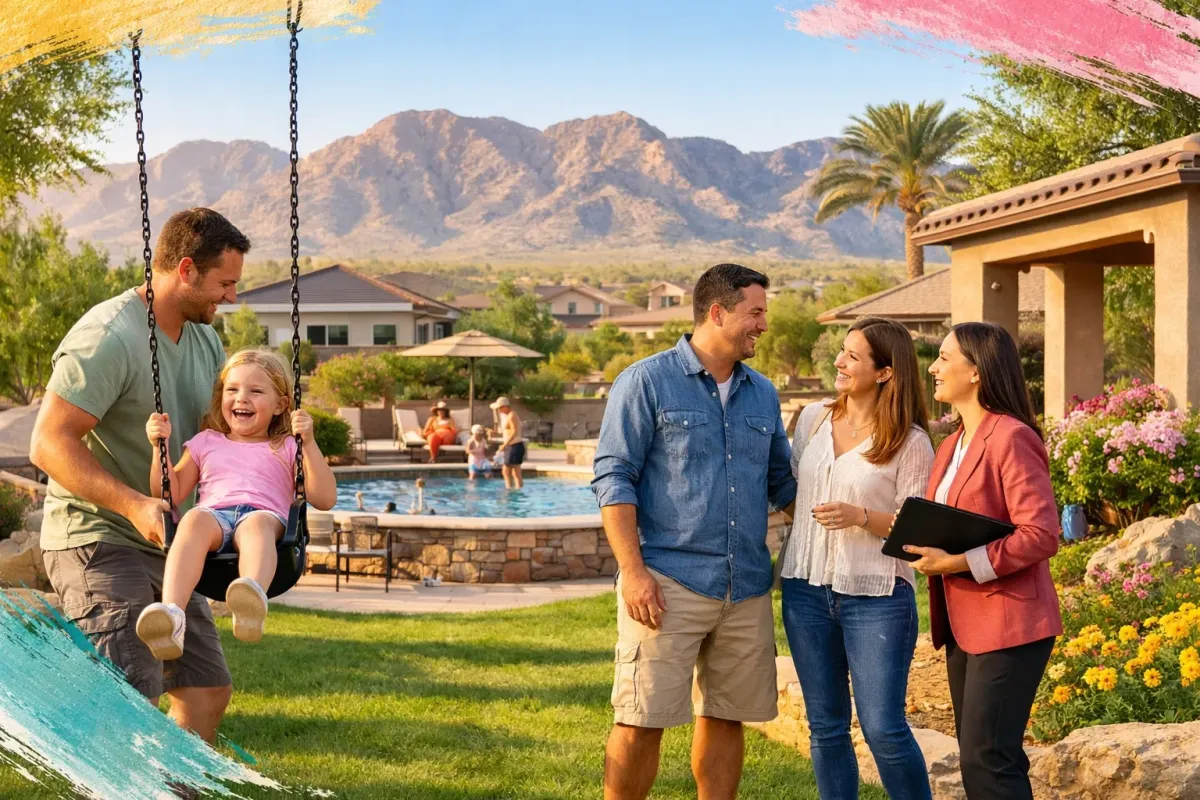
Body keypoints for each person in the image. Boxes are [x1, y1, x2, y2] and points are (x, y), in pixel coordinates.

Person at [30, 208, 248, 743]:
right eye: (225, 283)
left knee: (205, 690)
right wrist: (133, 505)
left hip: (168, 542)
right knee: (131, 691)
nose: (232, 298)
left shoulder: (205, 342)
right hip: (97, 537)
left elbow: (208, 444)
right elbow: (48, 442)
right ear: (188, 270)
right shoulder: (110, 335)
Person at [592, 263, 797, 800]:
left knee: (727, 717)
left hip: (746, 584)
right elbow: (614, 478)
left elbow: (781, 481)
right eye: (755, 313)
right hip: (666, 583)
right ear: (717, 312)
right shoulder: (645, 381)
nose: (763, 325)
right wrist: (633, 573)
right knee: (641, 717)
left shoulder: (763, 395)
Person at [778, 317, 934, 800]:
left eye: (852, 356)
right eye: (841, 351)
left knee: (884, 728)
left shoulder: (911, 442)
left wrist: (861, 515)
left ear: (885, 372)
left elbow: (916, 528)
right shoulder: (813, 419)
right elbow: (790, 488)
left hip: (877, 595)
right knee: (825, 727)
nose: (839, 362)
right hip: (805, 588)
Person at [905, 322, 1062, 800]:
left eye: (944, 358)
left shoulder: (1011, 437)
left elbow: (1041, 535)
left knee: (987, 758)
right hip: (963, 623)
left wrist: (956, 562)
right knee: (986, 755)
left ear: (975, 372)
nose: (933, 367)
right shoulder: (952, 443)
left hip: (1010, 622)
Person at [137, 350, 337, 658]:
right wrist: (159, 448)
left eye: (256, 391)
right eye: (233, 390)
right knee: (191, 520)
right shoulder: (206, 441)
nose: (241, 398)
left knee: (255, 525)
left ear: (281, 404)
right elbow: (169, 494)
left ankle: (250, 601)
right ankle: (172, 616)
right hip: (214, 518)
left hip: (264, 517)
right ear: (221, 398)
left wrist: (308, 444)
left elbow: (325, 498)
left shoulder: (286, 446)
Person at [489, 397, 525, 489]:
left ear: (505, 406)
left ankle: (511, 489)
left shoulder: (512, 415)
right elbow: (507, 431)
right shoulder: (508, 416)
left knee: (509, 471)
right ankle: (513, 489)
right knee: (513, 472)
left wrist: (503, 445)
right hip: (512, 446)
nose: (499, 410)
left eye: (500, 408)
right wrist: (494, 432)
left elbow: (514, 431)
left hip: (514, 446)